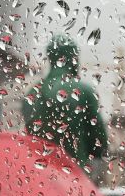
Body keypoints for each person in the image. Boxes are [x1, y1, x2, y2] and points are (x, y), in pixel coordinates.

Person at [22, 35, 108, 172]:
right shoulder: (84, 91)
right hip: (75, 172)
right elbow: (98, 138)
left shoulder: (32, 93)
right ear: (72, 58)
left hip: (38, 172)